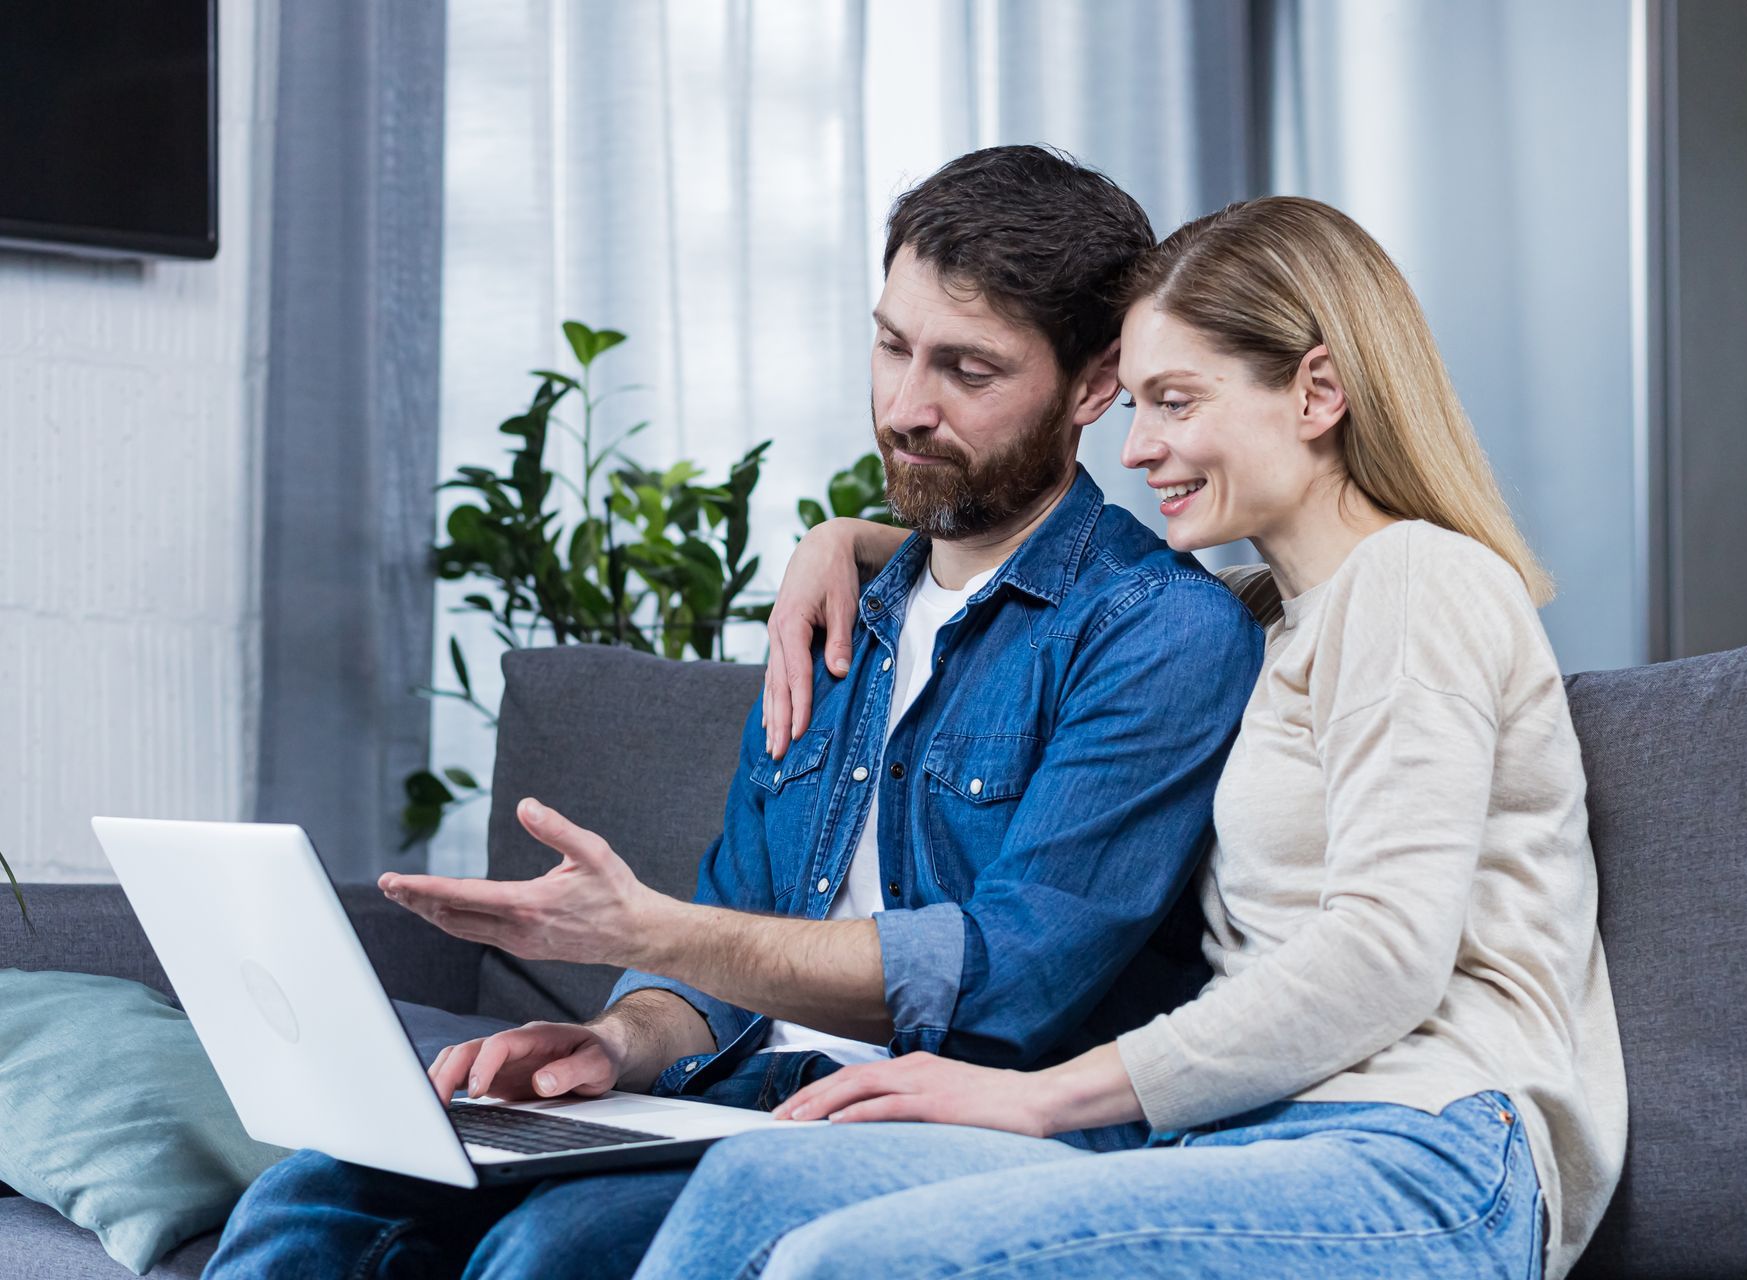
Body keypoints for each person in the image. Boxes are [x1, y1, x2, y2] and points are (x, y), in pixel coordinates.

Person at [203, 146, 1265, 1280]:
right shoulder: (839, 613)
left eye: (968, 368)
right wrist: (616, 1040)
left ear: (1096, 383)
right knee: (314, 1191)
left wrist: (642, 928)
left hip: (936, 1124)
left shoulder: (1159, 633)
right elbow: (731, 934)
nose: (907, 407)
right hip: (726, 1099)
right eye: (893, 343)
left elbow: (1009, 976)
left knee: (542, 1250)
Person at [634, 195, 1628, 1280]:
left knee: (852, 1261)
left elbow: (1384, 955)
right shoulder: (1261, 618)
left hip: (1424, 1149)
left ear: (1318, 391)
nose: (1140, 444)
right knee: (755, 1186)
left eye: (1176, 401)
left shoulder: (1415, 581)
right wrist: (849, 540)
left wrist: (1039, 1095)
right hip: (1238, 1135)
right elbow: (1039, 575)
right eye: (1137, 401)